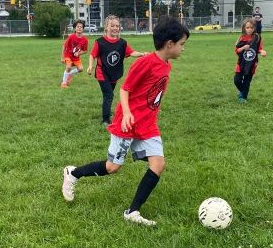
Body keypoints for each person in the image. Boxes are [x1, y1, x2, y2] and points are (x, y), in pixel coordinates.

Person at [62, 17, 190, 227]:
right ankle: (72, 173)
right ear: (169, 44)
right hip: (127, 124)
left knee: (158, 164)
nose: (183, 49)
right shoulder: (146, 63)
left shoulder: (166, 65)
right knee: (113, 167)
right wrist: (128, 113)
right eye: (181, 44)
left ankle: (132, 211)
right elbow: (124, 89)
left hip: (148, 126)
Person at [87, 15, 145, 126]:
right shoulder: (100, 42)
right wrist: (90, 66)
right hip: (102, 73)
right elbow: (92, 55)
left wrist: (142, 54)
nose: (115, 28)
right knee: (108, 95)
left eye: (117, 26)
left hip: (114, 74)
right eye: (112, 26)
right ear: (106, 27)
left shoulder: (122, 43)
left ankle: (107, 114)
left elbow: (131, 52)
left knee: (109, 94)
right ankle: (105, 120)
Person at [234, 17, 267, 103]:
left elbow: (259, 49)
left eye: (251, 28)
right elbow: (236, 50)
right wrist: (243, 48)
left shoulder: (257, 38)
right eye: (247, 27)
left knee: (246, 81)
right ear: (244, 28)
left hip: (252, 64)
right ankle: (242, 92)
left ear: (254, 28)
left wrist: (262, 51)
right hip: (241, 63)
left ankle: (243, 98)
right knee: (237, 80)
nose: (249, 29)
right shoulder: (241, 38)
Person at [60, 20, 88, 88]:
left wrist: (78, 53)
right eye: (77, 26)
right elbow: (64, 46)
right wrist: (62, 57)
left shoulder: (85, 40)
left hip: (76, 58)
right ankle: (63, 83)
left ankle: (69, 74)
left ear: (83, 29)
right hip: (68, 55)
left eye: (81, 27)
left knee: (81, 69)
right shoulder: (71, 37)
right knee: (69, 67)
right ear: (75, 28)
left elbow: (85, 51)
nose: (79, 28)